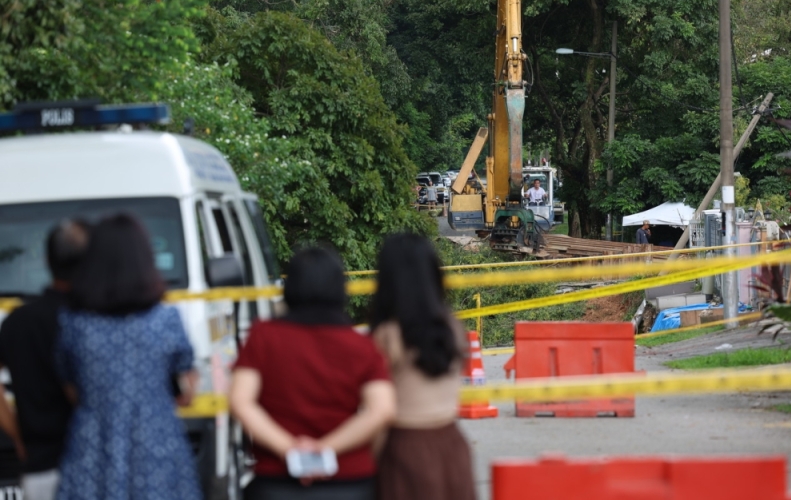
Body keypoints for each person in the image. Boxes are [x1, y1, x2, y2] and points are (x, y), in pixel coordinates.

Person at [229, 246, 395, 500]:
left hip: (276, 480)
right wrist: (324, 449)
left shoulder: (263, 337)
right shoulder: (361, 345)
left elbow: (241, 401)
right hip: (350, 482)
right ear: (340, 289)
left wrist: (290, 450)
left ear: (290, 287)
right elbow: (381, 410)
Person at [55, 214, 200, 500]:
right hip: (158, 442)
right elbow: (188, 388)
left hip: (93, 445)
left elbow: (70, 387)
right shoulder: (166, 319)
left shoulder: (75, 323)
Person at [369, 233, 476, 500]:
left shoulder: (387, 335)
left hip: (405, 447)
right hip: (452, 445)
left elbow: (379, 414)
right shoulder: (452, 328)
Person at [0, 220, 89, 500]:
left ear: (47, 261)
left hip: (41, 467)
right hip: (101, 466)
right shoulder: (99, 320)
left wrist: (18, 435)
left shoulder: (18, 322)